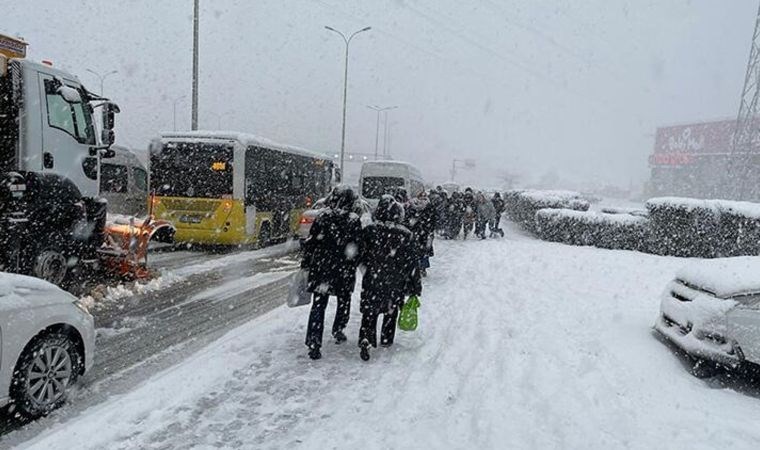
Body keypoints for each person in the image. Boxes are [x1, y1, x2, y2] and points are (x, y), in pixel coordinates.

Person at [301, 186, 362, 360]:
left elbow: (311, 242)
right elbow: (357, 247)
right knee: (344, 300)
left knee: (319, 304)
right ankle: (338, 328)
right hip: (343, 269)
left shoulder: (322, 217)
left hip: (322, 268)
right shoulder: (353, 220)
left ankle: (314, 341)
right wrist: (353, 262)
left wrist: (306, 263)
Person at [358, 195, 421, 361]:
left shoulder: (370, 231)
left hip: (372, 278)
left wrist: (366, 267)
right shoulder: (405, 234)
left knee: (369, 312)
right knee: (390, 310)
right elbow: (412, 263)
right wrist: (415, 286)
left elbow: (360, 254)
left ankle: (366, 338)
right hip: (395, 280)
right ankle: (386, 338)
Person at [407, 190, 436, 276]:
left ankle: (420, 267)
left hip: (418, 231)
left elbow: (408, 218)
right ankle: (421, 267)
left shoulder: (413, 206)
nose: (422, 199)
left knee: (419, 250)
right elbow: (433, 219)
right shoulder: (429, 206)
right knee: (423, 251)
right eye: (421, 197)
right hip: (423, 232)